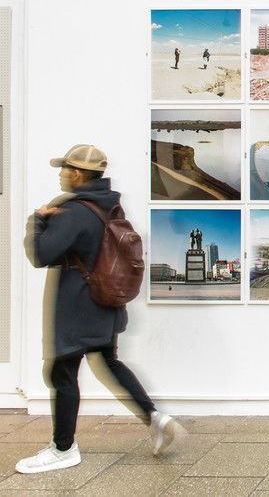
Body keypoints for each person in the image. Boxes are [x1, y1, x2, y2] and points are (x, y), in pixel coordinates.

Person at [18, 145, 177, 474]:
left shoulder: (73, 211)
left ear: (77, 173)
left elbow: (41, 254)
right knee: (108, 362)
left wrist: (36, 221)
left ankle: (63, 448)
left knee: (61, 373)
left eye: (63, 168)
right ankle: (155, 418)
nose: (60, 173)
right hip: (107, 303)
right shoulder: (110, 206)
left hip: (79, 306)